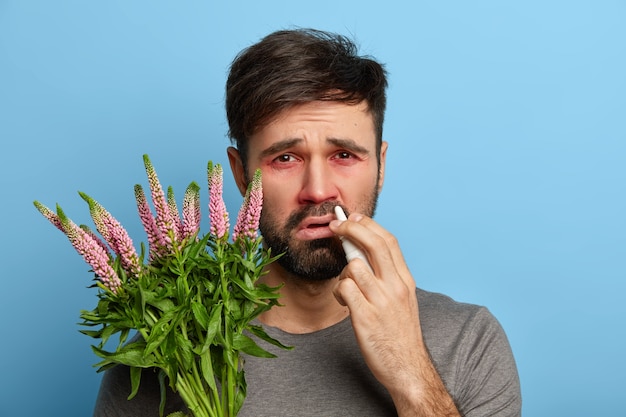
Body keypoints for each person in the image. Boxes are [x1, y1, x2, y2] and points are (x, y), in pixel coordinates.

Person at [94, 28, 521, 416]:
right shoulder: (165, 355)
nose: (318, 190)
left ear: (380, 166)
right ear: (242, 175)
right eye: (285, 158)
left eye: (344, 155)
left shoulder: (469, 341)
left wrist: (409, 371)